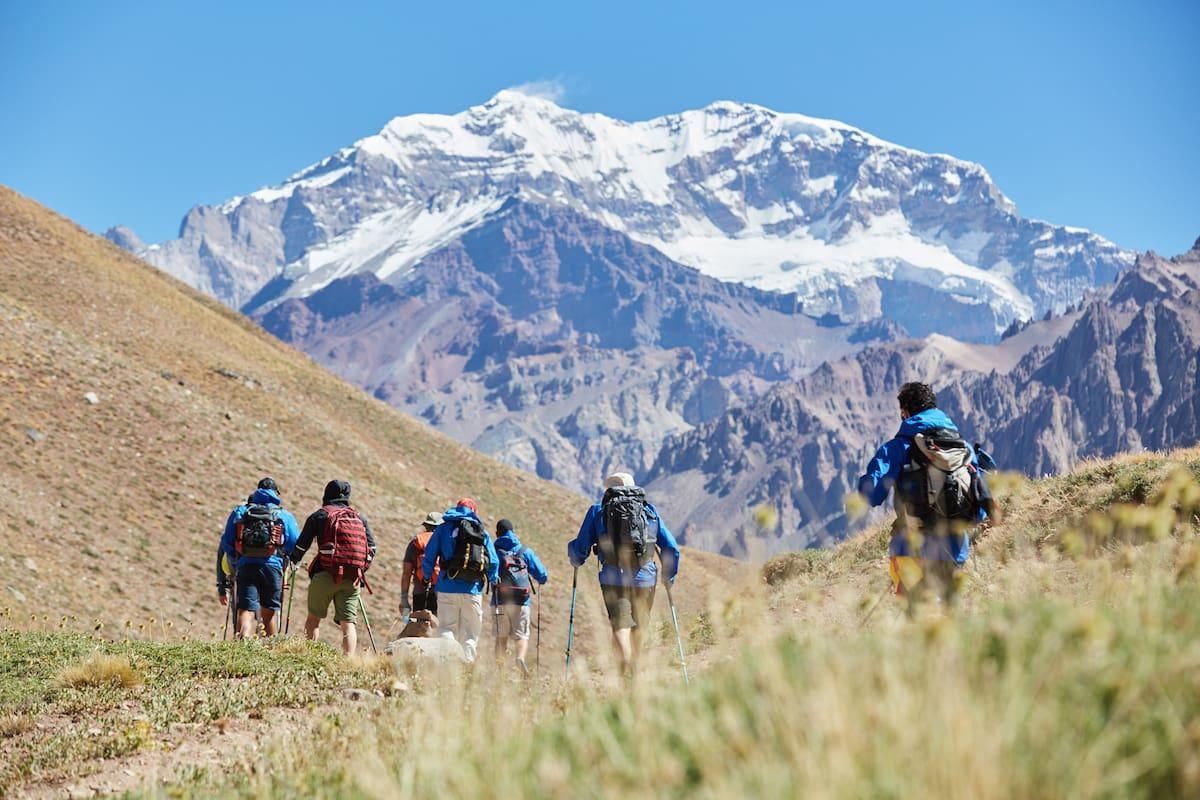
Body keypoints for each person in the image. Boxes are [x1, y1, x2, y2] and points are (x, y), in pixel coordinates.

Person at [857, 382, 999, 608]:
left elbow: (872, 494)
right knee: (947, 614)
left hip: (911, 548)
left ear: (905, 412)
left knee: (916, 615)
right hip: (955, 551)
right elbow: (982, 503)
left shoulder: (898, 447)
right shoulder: (963, 449)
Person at [567, 473, 680, 676]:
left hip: (613, 578)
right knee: (639, 626)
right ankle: (633, 672)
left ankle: (625, 672)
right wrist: (668, 576)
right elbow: (671, 547)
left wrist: (575, 556)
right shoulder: (648, 511)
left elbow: (581, 547)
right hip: (645, 578)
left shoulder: (598, 511)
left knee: (620, 626)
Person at [290, 480, 377, 655]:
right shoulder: (359, 517)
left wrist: (294, 562)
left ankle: (309, 656)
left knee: (314, 619)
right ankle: (348, 660)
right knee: (348, 622)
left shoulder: (320, 515)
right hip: (352, 579)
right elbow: (372, 548)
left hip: (324, 574)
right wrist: (360, 570)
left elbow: (301, 546)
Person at [218, 477, 300, 638]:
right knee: (269, 613)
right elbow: (293, 544)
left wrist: (237, 561)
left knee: (246, 610)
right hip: (272, 567)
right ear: (276, 493)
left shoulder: (241, 512)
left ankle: (243, 648)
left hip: (246, 565)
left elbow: (227, 542)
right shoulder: (284, 515)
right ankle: (272, 652)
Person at [421, 498, 498, 663]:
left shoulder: (443, 528)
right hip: (473, 590)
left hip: (447, 586)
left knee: (446, 628)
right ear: (474, 511)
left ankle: (447, 663)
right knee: (470, 633)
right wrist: (493, 578)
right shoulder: (481, 531)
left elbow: (429, 555)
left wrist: (426, 577)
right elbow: (494, 561)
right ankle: (467, 667)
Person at [492, 519, 548, 673]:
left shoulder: (494, 550)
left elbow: (491, 572)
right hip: (521, 601)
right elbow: (543, 575)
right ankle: (520, 659)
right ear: (513, 532)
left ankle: (500, 670)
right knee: (521, 636)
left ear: (497, 533)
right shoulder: (525, 551)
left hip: (500, 600)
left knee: (501, 637)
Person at [401, 512, 443, 620]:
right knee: (437, 626)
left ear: (426, 526)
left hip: (420, 590)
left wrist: (404, 598)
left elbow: (406, 573)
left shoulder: (415, 543)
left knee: (419, 625)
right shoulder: (444, 542)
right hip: (440, 591)